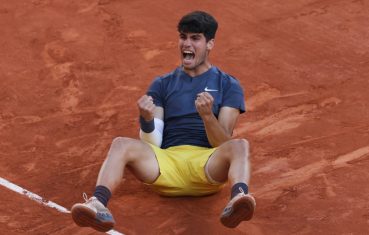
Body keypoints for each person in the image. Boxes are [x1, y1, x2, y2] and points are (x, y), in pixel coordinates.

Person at [71, 10, 255, 232]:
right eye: (183, 37)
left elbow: (223, 143)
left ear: (210, 44)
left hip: (207, 166)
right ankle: (98, 203)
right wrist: (147, 120)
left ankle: (238, 199)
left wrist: (207, 116)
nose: (187, 43)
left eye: (195, 38)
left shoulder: (228, 85)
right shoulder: (162, 84)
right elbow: (153, 142)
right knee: (121, 143)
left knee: (239, 146)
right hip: (166, 165)